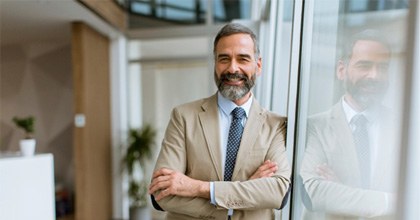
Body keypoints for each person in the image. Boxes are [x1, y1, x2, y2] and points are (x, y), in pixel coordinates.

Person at [149, 23, 291, 220]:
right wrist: (245, 195)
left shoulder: (276, 125)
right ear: (215, 64)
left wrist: (197, 187)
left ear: (258, 66)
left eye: (243, 58)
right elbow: (162, 193)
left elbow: (278, 192)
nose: (233, 68)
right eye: (224, 59)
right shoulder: (183, 116)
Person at [299, 29, 399, 220]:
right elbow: (315, 193)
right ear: (341, 70)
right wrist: (390, 201)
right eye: (365, 65)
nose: (374, 75)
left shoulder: (404, 128)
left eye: (383, 68)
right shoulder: (314, 127)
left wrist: (343, 191)